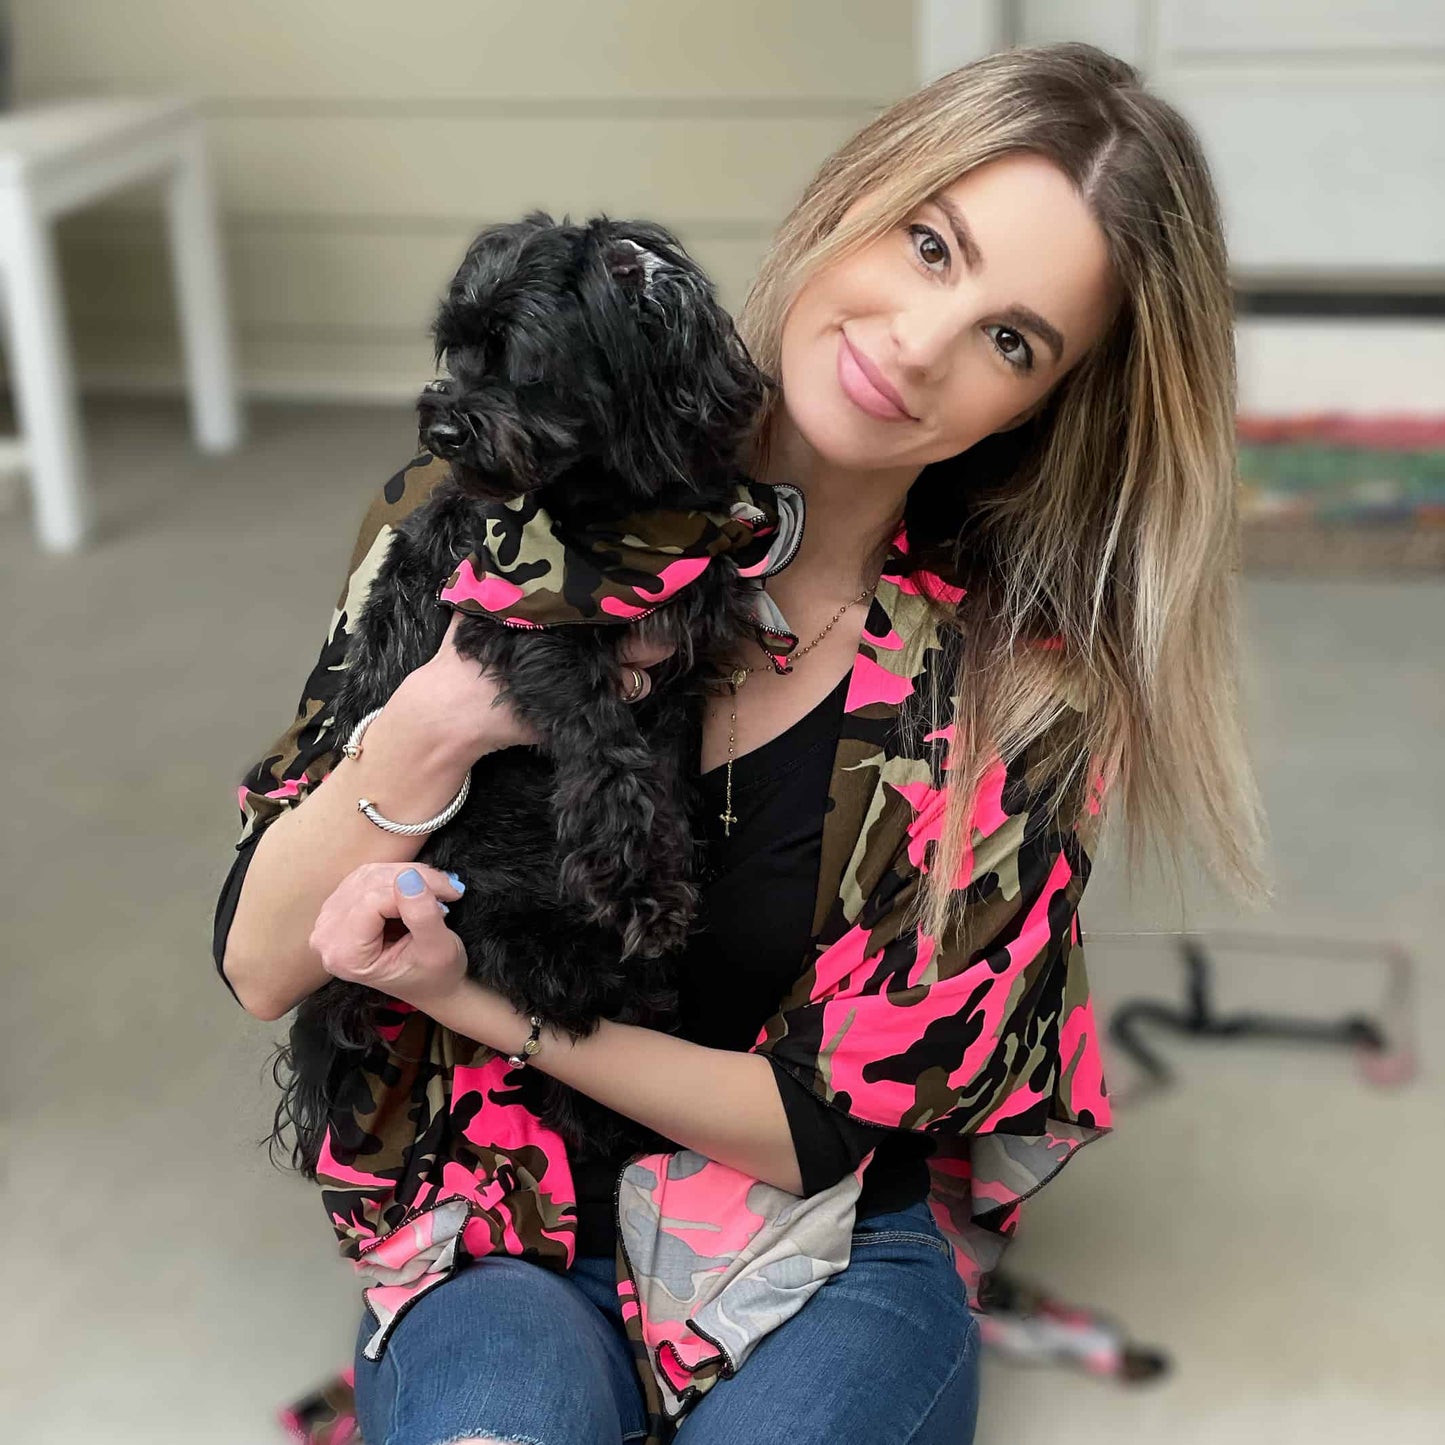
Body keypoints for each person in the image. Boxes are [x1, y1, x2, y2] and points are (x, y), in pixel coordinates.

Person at [214, 41, 1270, 1445]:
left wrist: (476, 998)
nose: (914, 343)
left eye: (1011, 338)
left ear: (1047, 401)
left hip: (824, 1239)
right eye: (929, 246)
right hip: (500, 1213)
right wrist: (435, 728)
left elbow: (824, 1125)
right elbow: (263, 962)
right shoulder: (506, 495)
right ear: (852, 198)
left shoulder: (1015, 688)